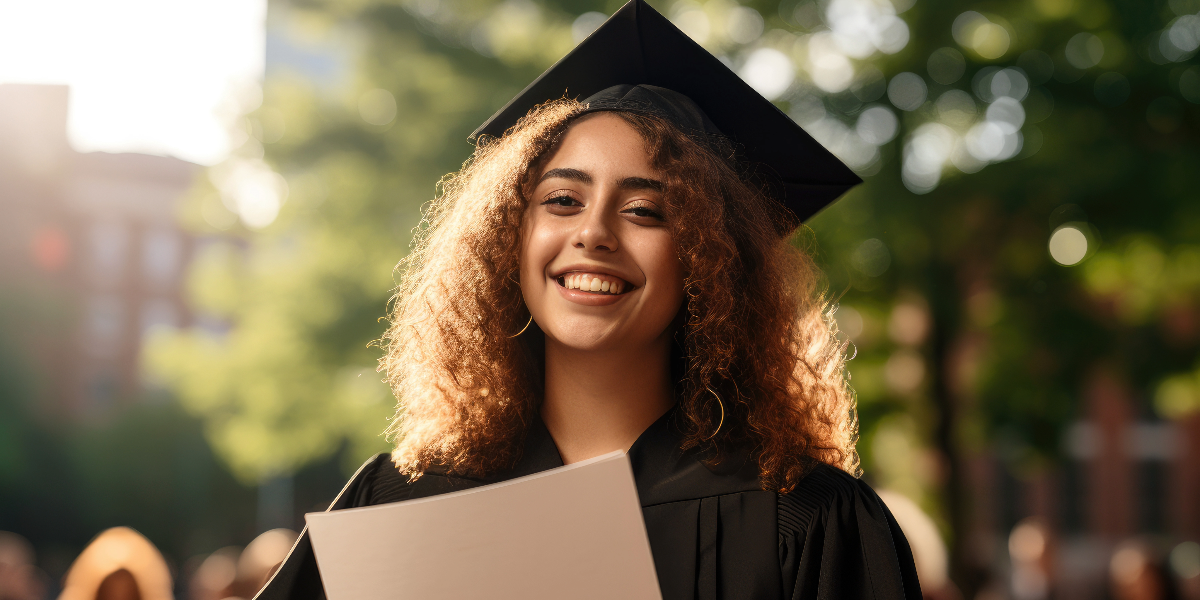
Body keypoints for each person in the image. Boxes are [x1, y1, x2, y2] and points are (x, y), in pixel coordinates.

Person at [257, 0, 921, 598]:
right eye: (562, 200)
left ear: (710, 262)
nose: (594, 233)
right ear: (508, 240)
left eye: (645, 210)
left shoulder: (806, 519)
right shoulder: (398, 504)